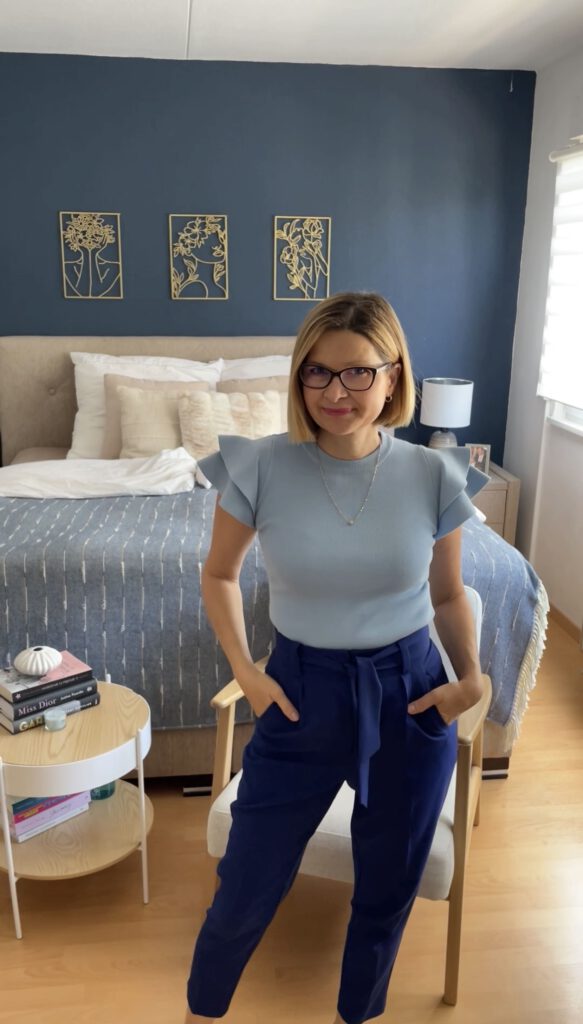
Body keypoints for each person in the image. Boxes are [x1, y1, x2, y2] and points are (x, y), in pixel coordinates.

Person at [184, 291, 488, 1024]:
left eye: (357, 372)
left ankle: (359, 1014)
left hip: (410, 693)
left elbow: (448, 594)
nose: (335, 392)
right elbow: (219, 575)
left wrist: (471, 678)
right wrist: (247, 672)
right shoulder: (259, 466)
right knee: (245, 884)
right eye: (316, 372)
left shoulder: (434, 475)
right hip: (300, 692)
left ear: (393, 376)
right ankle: (200, 1012)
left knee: (385, 894)